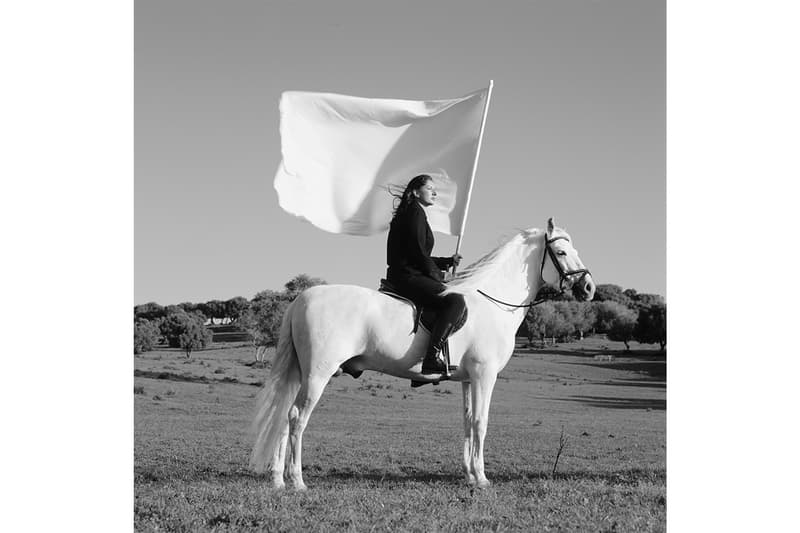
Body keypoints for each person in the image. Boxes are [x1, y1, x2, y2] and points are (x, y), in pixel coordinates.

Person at [386, 174, 466, 374]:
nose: (434, 193)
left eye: (434, 189)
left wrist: (447, 262)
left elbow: (417, 253)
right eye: (429, 188)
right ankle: (431, 357)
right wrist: (440, 276)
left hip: (407, 273)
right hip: (408, 277)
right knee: (456, 301)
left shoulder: (413, 212)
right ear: (415, 192)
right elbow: (418, 254)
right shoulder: (415, 213)